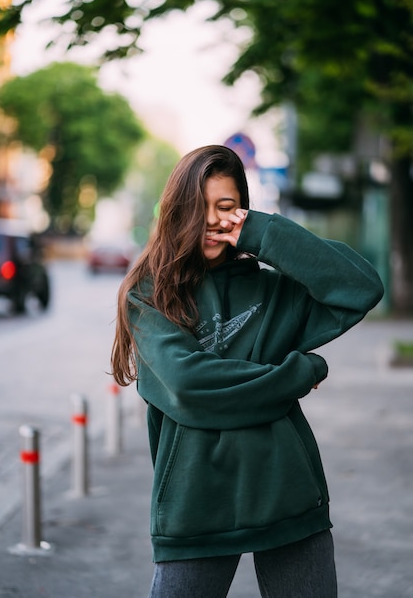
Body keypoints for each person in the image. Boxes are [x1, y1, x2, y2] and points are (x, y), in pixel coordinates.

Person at [111, 145, 384, 598]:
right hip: (197, 503)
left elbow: (361, 287)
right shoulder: (151, 294)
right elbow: (190, 387)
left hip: (287, 493)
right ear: (179, 212)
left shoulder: (275, 291)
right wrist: (299, 373)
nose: (214, 220)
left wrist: (264, 233)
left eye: (227, 207)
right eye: (201, 208)